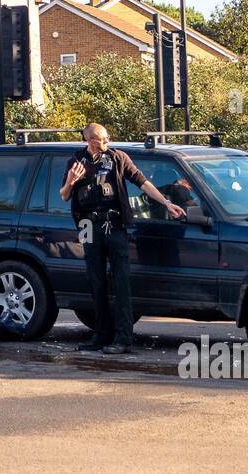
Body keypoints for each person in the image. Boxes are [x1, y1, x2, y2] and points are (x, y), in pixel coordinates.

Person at [60, 123, 186, 354]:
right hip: (88, 224)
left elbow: (142, 182)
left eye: (108, 138)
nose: (107, 143)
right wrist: (71, 181)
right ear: (90, 140)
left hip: (115, 223)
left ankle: (122, 337)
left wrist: (167, 203)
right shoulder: (76, 161)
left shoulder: (118, 158)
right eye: (103, 139)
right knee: (95, 279)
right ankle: (100, 335)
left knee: (121, 280)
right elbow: (64, 195)